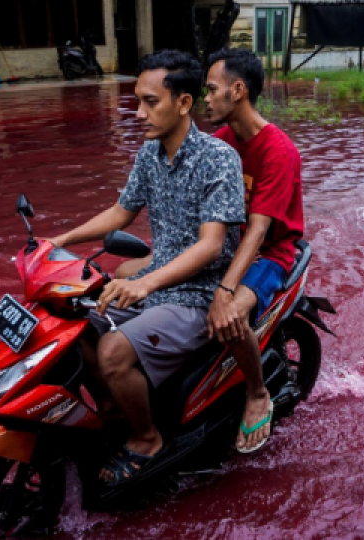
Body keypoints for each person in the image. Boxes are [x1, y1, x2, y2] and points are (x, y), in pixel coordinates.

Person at [49, 50, 245, 485]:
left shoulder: (219, 159)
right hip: (153, 283)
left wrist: (146, 282)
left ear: (184, 102)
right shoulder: (149, 153)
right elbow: (121, 212)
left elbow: (212, 246)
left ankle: (146, 438)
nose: (138, 113)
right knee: (75, 327)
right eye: (137, 101)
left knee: (113, 352)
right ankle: (117, 409)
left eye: (150, 102)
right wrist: (59, 241)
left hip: (199, 293)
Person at [204, 48, 304, 453]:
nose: (206, 99)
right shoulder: (221, 142)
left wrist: (226, 290)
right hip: (230, 244)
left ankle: (257, 391)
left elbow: (261, 230)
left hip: (270, 254)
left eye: (211, 90)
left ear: (238, 90)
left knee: (229, 317)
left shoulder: (278, 151)